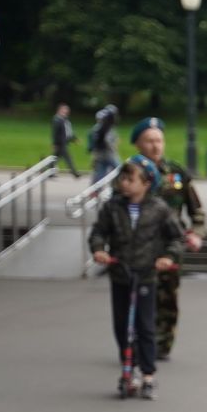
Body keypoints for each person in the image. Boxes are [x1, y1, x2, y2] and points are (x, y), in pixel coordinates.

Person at [88, 158, 182, 399]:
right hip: (121, 273)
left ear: (147, 183)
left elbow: (175, 238)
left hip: (146, 273)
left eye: (131, 179)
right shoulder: (113, 207)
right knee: (122, 325)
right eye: (123, 178)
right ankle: (128, 368)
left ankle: (148, 374)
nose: (125, 184)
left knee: (144, 325)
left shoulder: (159, 208)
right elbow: (98, 232)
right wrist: (99, 250)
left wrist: (167, 257)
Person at [130, 118, 205, 357]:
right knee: (139, 296)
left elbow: (197, 209)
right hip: (139, 246)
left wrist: (197, 233)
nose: (155, 146)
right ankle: (138, 342)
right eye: (149, 141)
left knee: (167, 298)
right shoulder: (129, 174)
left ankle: (162, 344)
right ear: (138, 144)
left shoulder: (176, 172)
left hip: (170, 247)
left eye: (159, 140)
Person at [87, 105, 121, 185]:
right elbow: (107, 140)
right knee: (120, 171)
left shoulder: (98, 127)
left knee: (100, 173)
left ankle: (95, 190)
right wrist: (113, 148)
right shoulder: (107, 127)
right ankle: (119, 187)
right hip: (108, 154)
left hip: (100, 154)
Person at [51, 103, 79, 177]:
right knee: (67, 158)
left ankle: (49, 172)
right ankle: (75, 173)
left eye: (67, 109)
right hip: (60, 143)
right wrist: (54, 143)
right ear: (60, 110)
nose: (66, 111)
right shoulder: (57, 119)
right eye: (65, 109)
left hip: (64, 142)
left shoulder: (64, 119)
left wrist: (74, 139)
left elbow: (68, 131)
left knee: (55, 158)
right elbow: (55, 132)